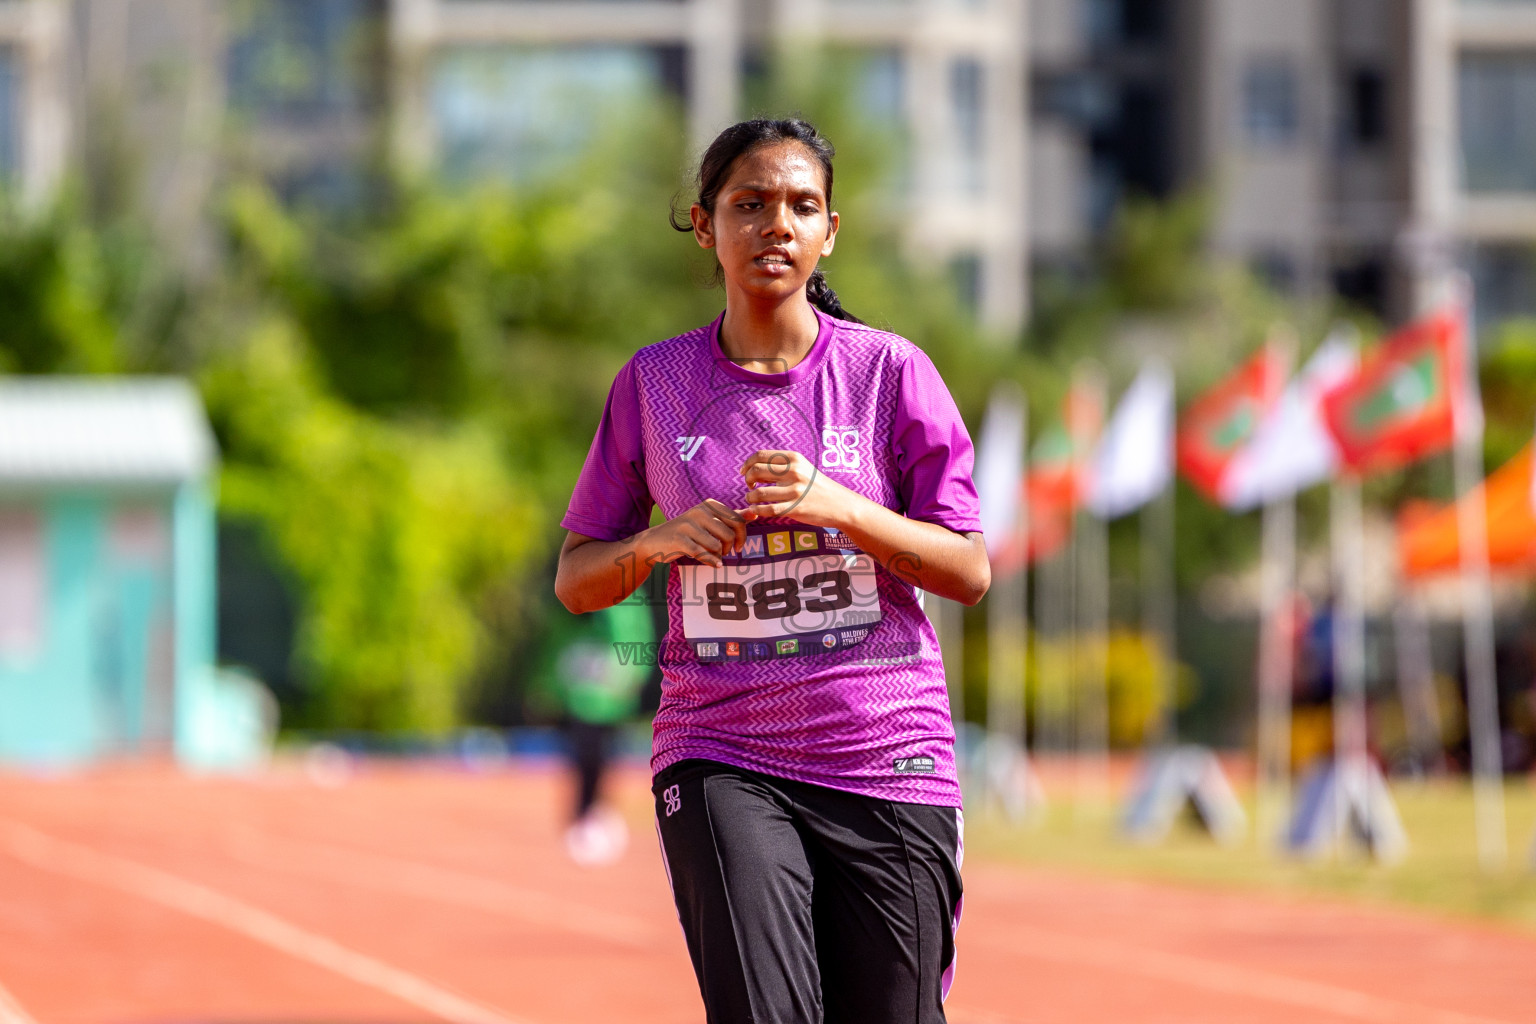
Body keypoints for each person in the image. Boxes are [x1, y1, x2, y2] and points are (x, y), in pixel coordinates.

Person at [555, 118, 990, 1023]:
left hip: (884, 755)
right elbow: (578, 579)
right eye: (748, 205)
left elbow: (968, 569)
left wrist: (839, 505)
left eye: (801, 206)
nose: (775, 226)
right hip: (722, 751)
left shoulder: (890, 374)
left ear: (831, 230)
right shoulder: (654, 384)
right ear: (704, 225)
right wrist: (654, 545)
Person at [532, 589, 655, 865]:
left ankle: (593, 816)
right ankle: (585, 818)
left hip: (609, 697)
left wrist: (632, 676)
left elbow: (635, 637)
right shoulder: (578, 611)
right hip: (584, 698)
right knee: (586, 762)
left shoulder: (627, 600)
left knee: (602, 762)